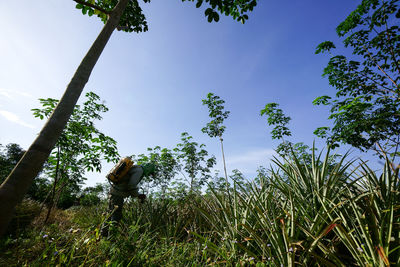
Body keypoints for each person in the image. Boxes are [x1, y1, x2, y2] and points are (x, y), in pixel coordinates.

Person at [101, 161, 156, 236]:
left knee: (110, 214)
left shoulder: (136, 168)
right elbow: (131, 186)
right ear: (149, 169)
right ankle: (111, 237)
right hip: (118, 194)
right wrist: (138, 195)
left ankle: (103, 234)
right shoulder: (139, 171)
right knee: (116, 215)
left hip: (114, 192)